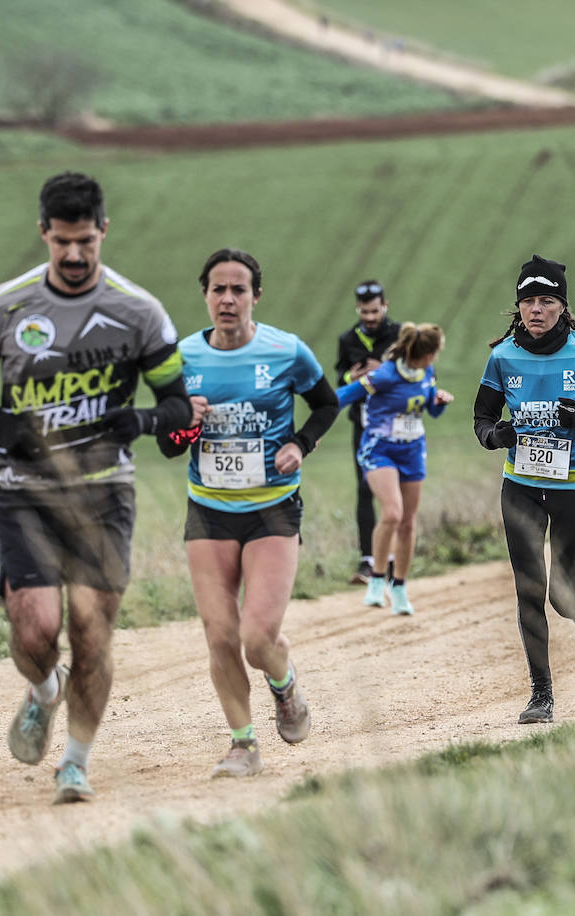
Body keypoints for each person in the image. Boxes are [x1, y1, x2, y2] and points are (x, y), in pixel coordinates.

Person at [0, 172, 192, 803]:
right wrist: (3, 424)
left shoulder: (140, 311)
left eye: (86, 241)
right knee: (34, 631)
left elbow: (177, 405)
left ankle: (76, 763)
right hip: (24, 489)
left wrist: (138, 419)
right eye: (63, 243)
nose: (76, 255)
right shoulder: (6, 304)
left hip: (104, 490)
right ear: (43, 235)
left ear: (104, 231)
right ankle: (42, 691)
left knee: (91, 631)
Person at [159, 249, 338, 778]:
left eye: (239, 290)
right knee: (219, 636)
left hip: (272, 510)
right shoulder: (182, 357)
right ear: (205, 296)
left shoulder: (287, 351)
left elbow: (326, 403)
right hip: (209, 511)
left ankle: (285, 688)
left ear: (256, 296)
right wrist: (186, 424)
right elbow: (169, 444)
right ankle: (243, 744)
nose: (228, 299)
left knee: (257, 638)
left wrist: (301, 444)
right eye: (218, 289)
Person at [473, 255, 575, 724]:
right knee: (529, 589)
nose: (536, 310)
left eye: (546, 301)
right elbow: (482, 418)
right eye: (528, 301)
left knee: (562, 596)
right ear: (517, 307)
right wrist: (494, 436)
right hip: (520, 485)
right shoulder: (502, 357)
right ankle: (541, 693)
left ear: (562, 307)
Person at [336, 323, 452, 613]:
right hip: (380, 449)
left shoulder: (426, 373)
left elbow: (431, 409)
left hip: (412, 451)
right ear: (426, 353)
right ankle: (376, 579)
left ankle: (398, 586)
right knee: (392, 512)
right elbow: (344, 395)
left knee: (408, 521)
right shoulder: (386, 374)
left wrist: (439, 402)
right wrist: (314, 431)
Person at [334, 280, 401, 584]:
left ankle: (393, 557)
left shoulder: (401, 335)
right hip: (362, 425)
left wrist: (385, 368)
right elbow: (339, 377)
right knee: (364, 489)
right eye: (364, 312)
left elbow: (423, 371)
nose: (370, 317)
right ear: (357, 309)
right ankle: (367, 558)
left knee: (393, 491)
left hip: (397, 424)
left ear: (385, 306)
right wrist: (354, 375)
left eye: (375, 311)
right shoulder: (347, 339)